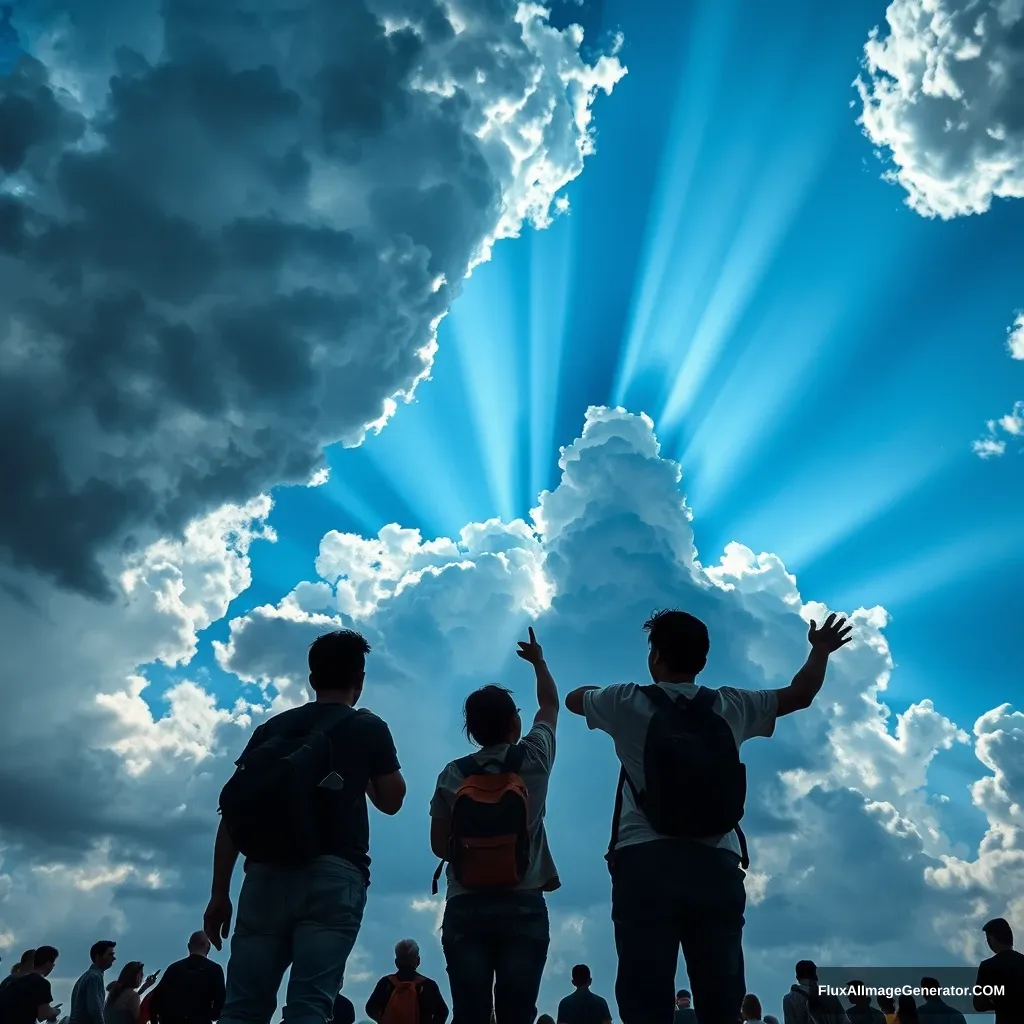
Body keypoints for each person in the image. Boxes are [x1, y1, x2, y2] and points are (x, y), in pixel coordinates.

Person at [566, 609, 852, 1024]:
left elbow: (577, 698)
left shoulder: (624, 700)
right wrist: (821, 650)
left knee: (645, 994)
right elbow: (800, 694)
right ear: (703, 661)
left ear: (655, 655)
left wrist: (598, 691)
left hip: (644, 862)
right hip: (716, 863)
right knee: (721, 996)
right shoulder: (731, 705)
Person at [206, 630, 406, 1024]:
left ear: (312, 680)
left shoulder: (272, 729)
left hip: (263, 875)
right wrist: (358, 767)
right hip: (334, 876)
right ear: (360, 680)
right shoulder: (368, 727)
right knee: (310, 1005)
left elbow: (234, 813)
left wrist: (219, 894)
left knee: (243, 1007)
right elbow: (392, 800)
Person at [430, 627, 560, 1024]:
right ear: (513, 725)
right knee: (517, 1013)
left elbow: (439, 846)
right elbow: (550, 707)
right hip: (524, 900)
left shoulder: (453, 774)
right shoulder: (535, 759)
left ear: (471, 730)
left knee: (470, 1013)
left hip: (466, 905)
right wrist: (539, 662)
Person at [364, 939, 448, 1024]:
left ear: (396, 962)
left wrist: (382, 1019)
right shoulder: (428, 985)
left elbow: (370, 1008)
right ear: (418, 961)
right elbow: (443, 1012)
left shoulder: (386, 982)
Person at [149, 932, 224, 1024]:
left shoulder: (173, 968)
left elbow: (155, 1000)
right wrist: (212, 1015)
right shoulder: (215, 970)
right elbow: (220, 1003)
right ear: (208, 947)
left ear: (189, 946)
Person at [973, 917, 1024, 1023]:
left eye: (988, 939)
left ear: (992, 938)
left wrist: (997, 1002)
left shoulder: (988, 966)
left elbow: (978, 1004)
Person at [0, 946, 61, 1024]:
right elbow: (42, 1016)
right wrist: (54, 1011)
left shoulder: (11, 981)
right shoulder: (41, 983)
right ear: (48, 964)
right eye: (53, 964)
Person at [782, 961, 848, 1024]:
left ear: (797, 977)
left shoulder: (789, 999)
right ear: (816, 976)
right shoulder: (831, 996)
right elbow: (844, 1021)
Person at [70, 942, 117, 1024]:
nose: (114, 958)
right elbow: (95, 1010)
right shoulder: (95, 977)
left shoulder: (85, 976)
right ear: (98, 957)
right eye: (110, 954)